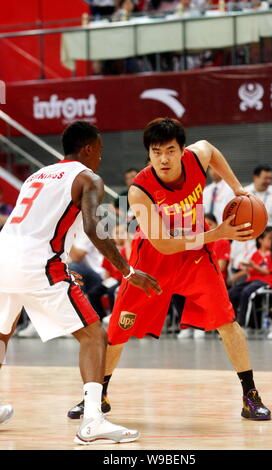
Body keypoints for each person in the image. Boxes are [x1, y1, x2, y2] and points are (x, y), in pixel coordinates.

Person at [69, 117, 271, 422]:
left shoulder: (197, 157)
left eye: (170, 150)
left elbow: (211, 149)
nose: (164, 158)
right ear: (149, 154)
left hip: (195, 259)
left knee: (227, 322)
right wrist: (217, 235)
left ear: (182, 150)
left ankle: (250, 396)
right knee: (118, 331)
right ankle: (98, 397)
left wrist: (238, 188)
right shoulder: (140, 191)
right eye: (156, 151)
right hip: (151, 263)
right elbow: (164, 245)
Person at [0, 121, 161, 444]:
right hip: (37, 264)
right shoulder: (89, 178)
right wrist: (128, 271)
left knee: (3, 330)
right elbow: (92, 227)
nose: (100, 156)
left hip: (4, 255)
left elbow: (37, 224)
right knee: (93, 335)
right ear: (88, 148)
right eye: (100, 149)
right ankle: (92, 421)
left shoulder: (37, 175)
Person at [229, 227, 272, 330]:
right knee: (232, 292)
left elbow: (268, 271)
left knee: (247, 292)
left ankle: (242, 325)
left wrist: (254, 266)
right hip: (252, 280)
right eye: (269, 238)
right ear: (261, 240)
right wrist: (244, 269)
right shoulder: (256, 253)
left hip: (266, 281)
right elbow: (251, 270)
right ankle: (230, 324)